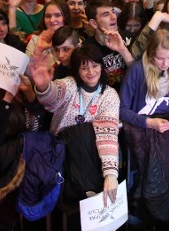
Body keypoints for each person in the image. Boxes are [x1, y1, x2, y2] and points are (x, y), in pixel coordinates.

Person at [119, 30, 169, 231]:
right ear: (150, 54)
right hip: (140, 133)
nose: (165, 63)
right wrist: (148, 123)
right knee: (146, 184)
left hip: (163, 133)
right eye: (160, 58)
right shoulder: (137, 71)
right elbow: (122, 110)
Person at [31, 40, 120, 206]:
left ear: (102, 66)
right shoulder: (69, 85)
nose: (91, 72)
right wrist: (43, 86)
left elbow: (108, 134)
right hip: (61, 150)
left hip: (92, 155)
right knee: (82, 133)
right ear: (77, 70)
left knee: (89, 132)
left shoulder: (109, 95)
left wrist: (111, 174)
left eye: (95, 66)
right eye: (84, 68)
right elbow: (52, 97)